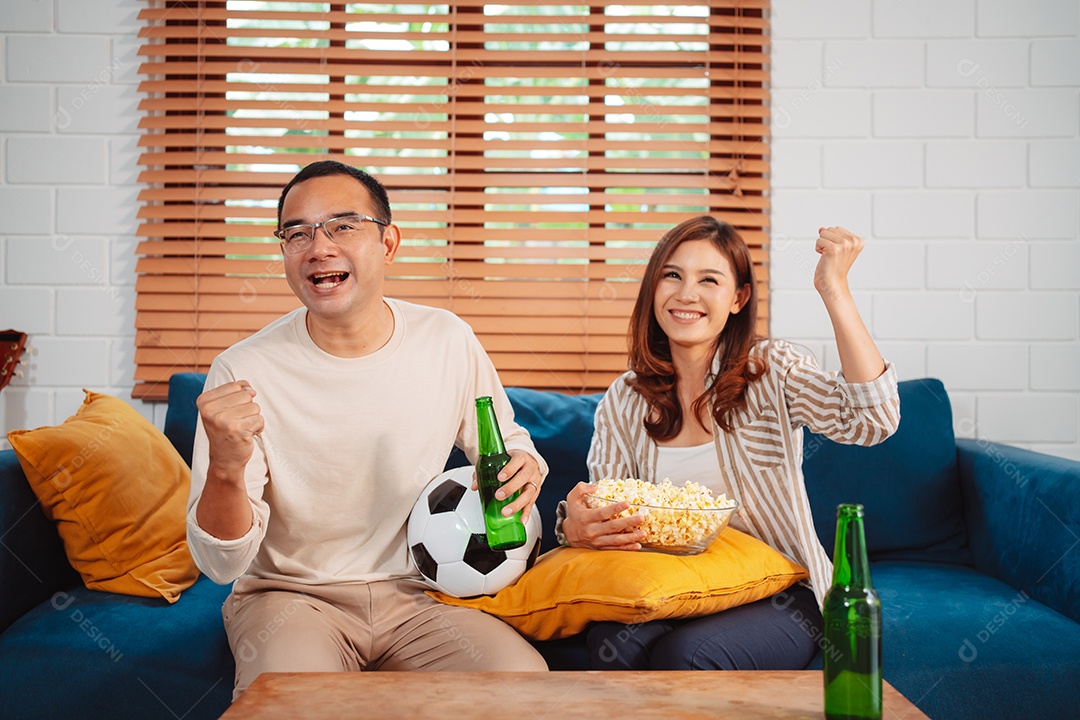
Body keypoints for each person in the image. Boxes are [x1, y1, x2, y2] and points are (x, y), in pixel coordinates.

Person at [187, 160, 550, 697]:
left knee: (525, 687)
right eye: (297, 233)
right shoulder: (242, 372)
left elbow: (506, 442)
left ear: (389, 242)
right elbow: (221, 564)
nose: (319, 246)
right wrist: (224, 465)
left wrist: (528, 467)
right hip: (293, 598)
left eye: (343, 225)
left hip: (419, 597)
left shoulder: (446, 339)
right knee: (296, 704)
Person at [556, 216, 900, 671]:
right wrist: (575, 526)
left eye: (709, 280)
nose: (686, 294)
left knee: (687, 657)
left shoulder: (773, 369)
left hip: (780, 590)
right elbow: (610, 512)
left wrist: (833, 289)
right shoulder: (625, 398)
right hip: (671, 583)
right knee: (613, 642)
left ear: (738, 298)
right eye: (672, 275)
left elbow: (871, 420)